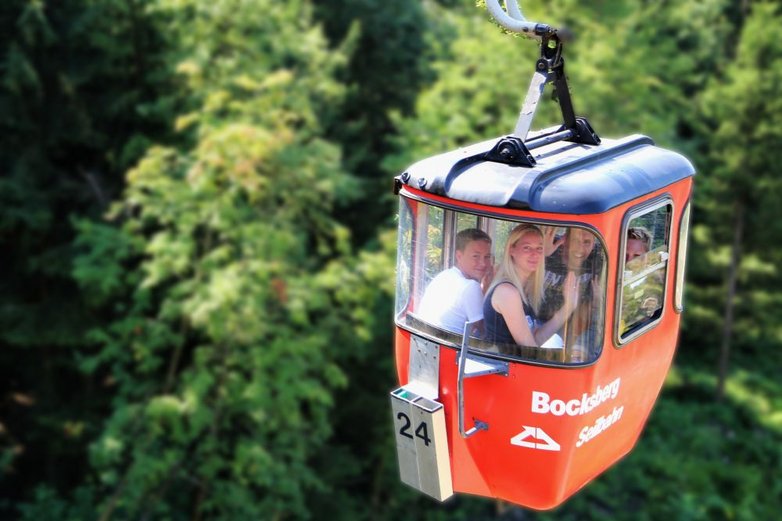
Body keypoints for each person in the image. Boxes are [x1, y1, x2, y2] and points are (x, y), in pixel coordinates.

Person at [483, 224, 579, 347]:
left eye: (539, 248)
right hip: (501, 365)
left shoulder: (523, 290)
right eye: (527, 248)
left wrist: (568, 308)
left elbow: (536, 339)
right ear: (511, 250)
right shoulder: (507, 292)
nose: (535, 254)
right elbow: (529, 350)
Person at [539, 227, 605, 358]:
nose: (580, 249)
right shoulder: (549, 248)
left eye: (587, 242)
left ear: (594, 243)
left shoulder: (599, 257)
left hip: (575, 328)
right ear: (565, 239)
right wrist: (542, 254)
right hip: (538, 322)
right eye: (575, 240)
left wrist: (599, 301)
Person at [417, 228, 493, 334]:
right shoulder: (470, 286)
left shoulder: (444, 276)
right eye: (476, 256)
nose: (483, 263)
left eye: (487, 257)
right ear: (459, 256)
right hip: (449, 348)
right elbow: (488, 333)